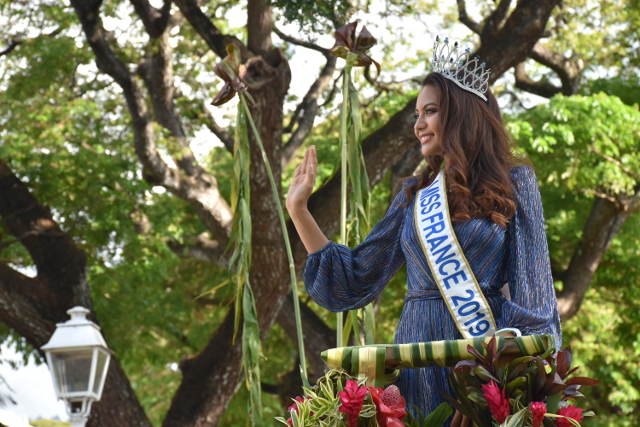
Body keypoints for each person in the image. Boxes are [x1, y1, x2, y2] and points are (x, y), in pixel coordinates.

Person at [285, 37, 561, 426]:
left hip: (483, 358)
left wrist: (492, 379)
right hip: (416, 357)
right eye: (417, 114)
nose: (418, 125)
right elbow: (354, 280)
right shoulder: (414, 195)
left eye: (430, 111)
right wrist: (299, 211)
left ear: (462, 113)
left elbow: (534, 298)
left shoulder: (515, 181)